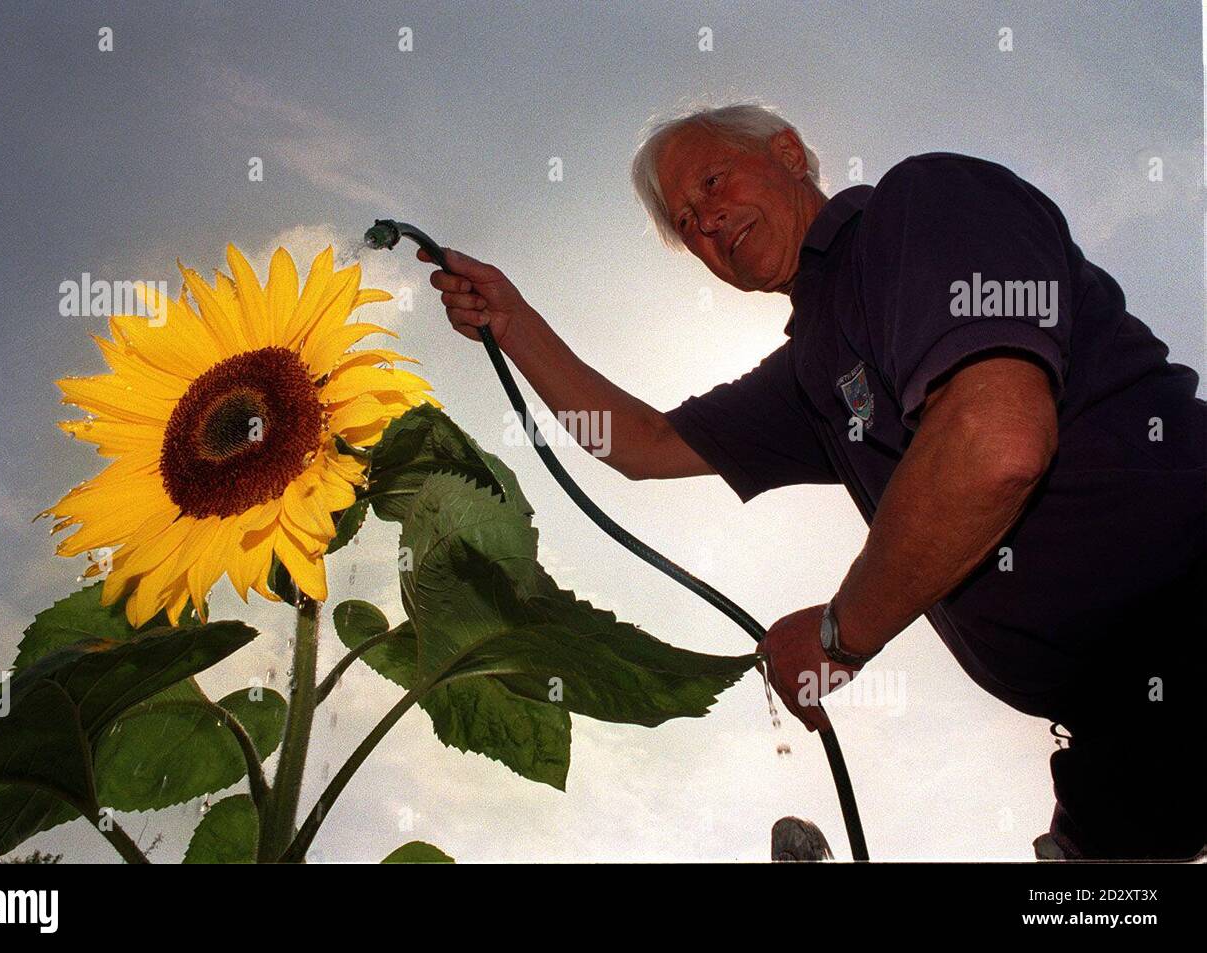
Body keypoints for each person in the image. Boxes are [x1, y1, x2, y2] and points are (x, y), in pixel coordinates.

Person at [419, 103, 1206, 860]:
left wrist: (838, 635)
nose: (706, 223)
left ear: (788, 154)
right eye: (686, 226)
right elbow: (641, 442)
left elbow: (994, 442)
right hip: (1127, 736)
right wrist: (512, 323)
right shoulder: (816, 371)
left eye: (712, 184)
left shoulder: (926, 205)